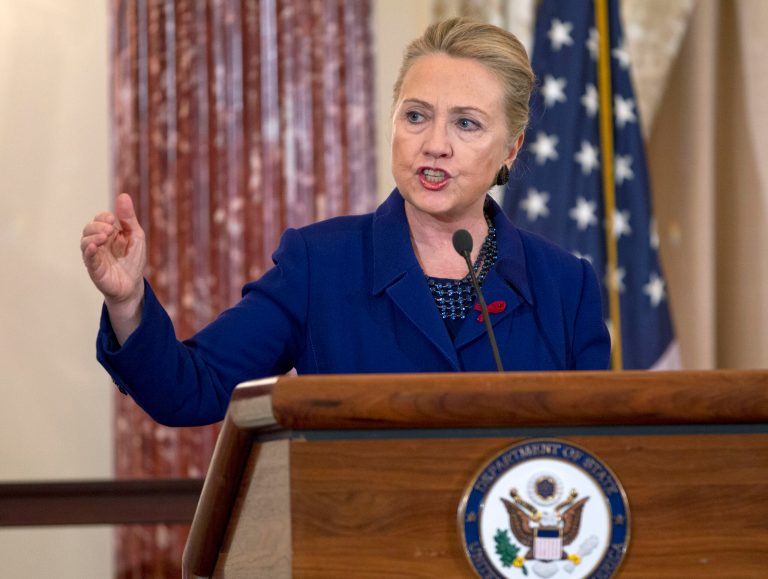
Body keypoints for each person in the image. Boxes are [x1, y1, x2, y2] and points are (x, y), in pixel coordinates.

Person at [80, 18, 610, 427]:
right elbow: (190, 391)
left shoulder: (566, 285)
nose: (435, 144)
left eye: (466, 124)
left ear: (511, 149)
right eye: (416, 116)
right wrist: (128, 303)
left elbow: (599, 448)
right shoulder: (320, 265)